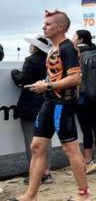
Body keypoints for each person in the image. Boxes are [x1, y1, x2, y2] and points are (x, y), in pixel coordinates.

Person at [14, 10, 90, 201]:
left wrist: (47, 85)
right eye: (44, 23)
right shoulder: (53, 49)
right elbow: (57, 75)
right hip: (49, 102)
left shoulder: (67, 48)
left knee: (70, 149)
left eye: (48, 24)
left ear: (61, 27)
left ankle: (84, 195)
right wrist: (44, 83)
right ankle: (31, 194)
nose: (43, 27)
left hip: (62, 104)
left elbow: (75, 78)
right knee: (37, 146)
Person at [11, 36, 54, 185]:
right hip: (48, 101)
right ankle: (47, 172)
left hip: (30, 104)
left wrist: (14, 73)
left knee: (31, 140)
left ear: (36, 48)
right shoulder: (52, 60)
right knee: (46, 139)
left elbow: (22, 79)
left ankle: (35, 173)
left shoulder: (31, 60)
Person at [72, 29, 96, 174]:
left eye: (75, 36)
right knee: (95, 124)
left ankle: (87, 160)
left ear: (80, 39)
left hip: (83, 94)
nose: (72, 38)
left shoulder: (79, 53)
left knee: (85, 127)